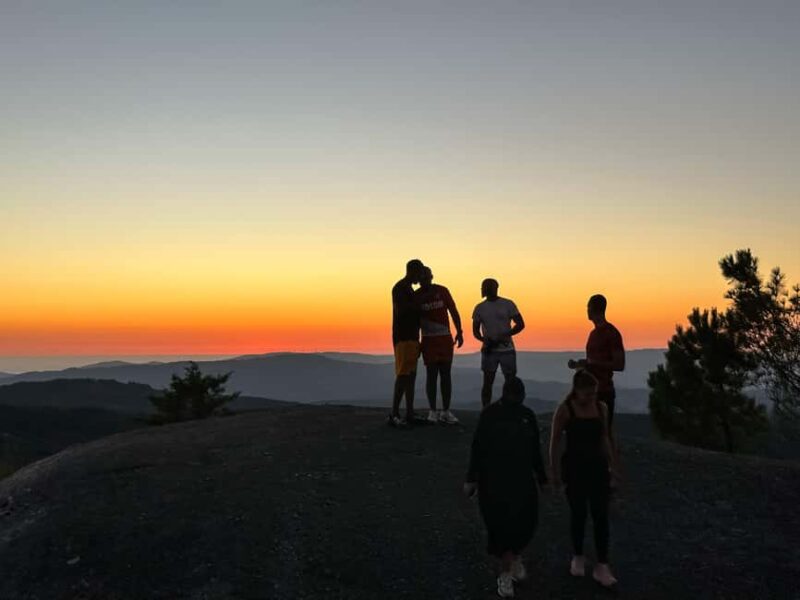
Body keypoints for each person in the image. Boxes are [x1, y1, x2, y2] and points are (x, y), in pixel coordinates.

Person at [464, 377, 547, 598]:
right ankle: (505, 573)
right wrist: (471, 479)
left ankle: (514, 559)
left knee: (526, 523)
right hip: (494, 483)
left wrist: (542, 479)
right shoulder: (490, 416)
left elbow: (535, 452)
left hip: (522, 482)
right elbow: (478, 448)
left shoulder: (527, 416)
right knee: (501, 528)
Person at [549, 369, 618, 589]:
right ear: (577, 391)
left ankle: (602, 564)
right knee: (578, 513)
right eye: (588, 393)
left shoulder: (601, 408)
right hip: (575, 468)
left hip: (597, 469)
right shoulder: (566, 409)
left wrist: (613, 466)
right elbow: (555, 441)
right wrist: (555, 472)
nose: (591, 397)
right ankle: (578, 555)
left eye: (594, 393)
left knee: (600, 515)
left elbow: (605, 438)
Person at [568, 294, 625, 440]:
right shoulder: (593, 333)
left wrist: (591, 363)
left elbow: (619, 365)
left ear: (593, 309)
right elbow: (593, 361)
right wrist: (580, 365)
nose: (586, 310)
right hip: (589, 392)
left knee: (602, 436)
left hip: (603, 392)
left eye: (588, 307)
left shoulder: (611, 333)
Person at [415, 267, 464, 425]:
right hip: (428, 339)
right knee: (431, 375)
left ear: (431, 277)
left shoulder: (442, 290)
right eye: (422, 279)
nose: (425, 281)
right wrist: (417, 343)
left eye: (427, 278)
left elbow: (453, 310)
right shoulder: (416, 296)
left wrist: (459, 331)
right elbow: (414, 322)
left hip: (444, 338)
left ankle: (446, 411)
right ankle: (433, 411)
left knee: (446, 375)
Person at [472, 279, 525, 408]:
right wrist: (485, 340)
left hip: (505, 349)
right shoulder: (480, 308)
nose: (484, 290)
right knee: (488, 382)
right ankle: (487, 410)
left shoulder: (507, 304)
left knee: (509, 382)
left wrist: (505, 335)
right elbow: (476, 331)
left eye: (486, 287)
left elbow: (521, 324)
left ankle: (510, 408)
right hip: (491, 350)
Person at [390, 259, 425, 427]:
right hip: (403, 337)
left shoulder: (408, 289)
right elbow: (402, 310)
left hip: (411, 337)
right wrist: (419, 306)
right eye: (419, 273)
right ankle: (394, 413)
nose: (420, 277)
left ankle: (409, 413)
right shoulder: (400, 288)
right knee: (403, 375)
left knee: (410, 375)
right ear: (413, 271)